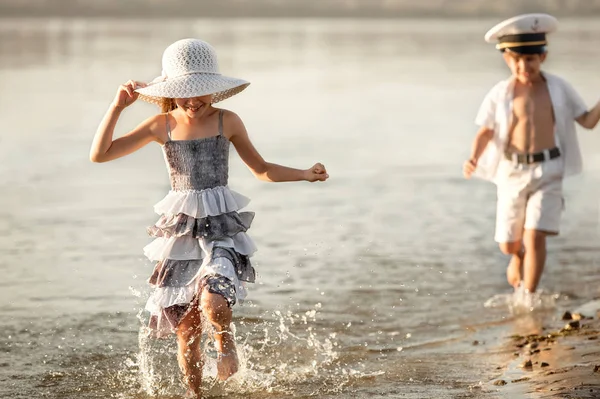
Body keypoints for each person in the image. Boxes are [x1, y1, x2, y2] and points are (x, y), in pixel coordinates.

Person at [89, 38, 329, 397]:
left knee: (214, 301)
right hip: (181, 230)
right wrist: (117, 107)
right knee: (186, 331)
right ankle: (195, 394)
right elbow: (100, 154)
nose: (193, 100)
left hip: (219, 227)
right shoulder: (161, 125)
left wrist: (305, 174)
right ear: (170, 92)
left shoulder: (226, 121)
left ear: (214, 90)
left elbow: (261, 170)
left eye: (200, 92)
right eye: (185, 92)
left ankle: (225, 343)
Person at [462, 14, 600, 298]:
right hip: (512, 173)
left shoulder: (558, 89)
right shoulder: (501, 93)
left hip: (549, 169)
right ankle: (517, 256)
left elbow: (587, 121)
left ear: (543, 57)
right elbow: (485, 131)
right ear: (507, 60)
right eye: (518, 60)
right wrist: (474, 157)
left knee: (535, 235)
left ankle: (528, 298)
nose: (525, 66)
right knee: (509, 244)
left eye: (531, 59)